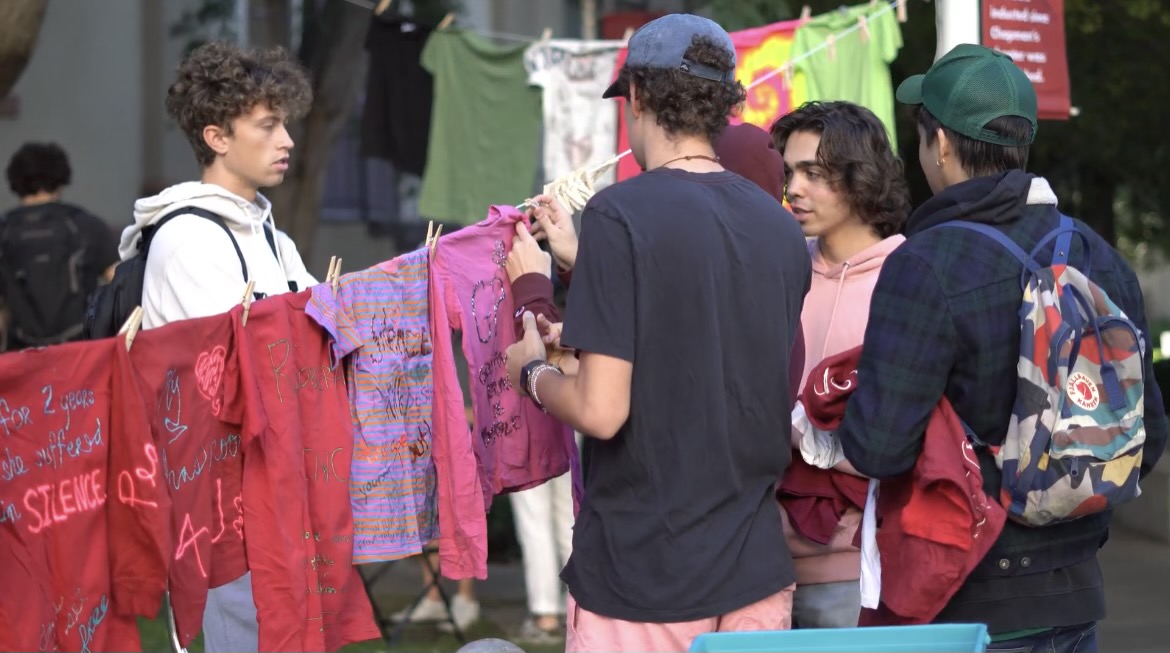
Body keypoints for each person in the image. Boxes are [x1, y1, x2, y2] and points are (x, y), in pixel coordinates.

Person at [834, 44, 1168, 650]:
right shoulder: (1099, 258)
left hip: (968, 600)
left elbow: (878, 446)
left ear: (939, 144)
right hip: (1075, 596)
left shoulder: (925, 264)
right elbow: (1147, 436)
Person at [504, 14, 810, 653]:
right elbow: (702, 336)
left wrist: (532, 372)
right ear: (724, 102)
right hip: (754, 566)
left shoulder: (622, 211)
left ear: (637, 97)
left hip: (645, 571)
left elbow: (601, 410)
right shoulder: (781, 227)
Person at [116, 41, 317, 653]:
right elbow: (233, 373)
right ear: (218, 136)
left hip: (281, 488)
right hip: (225, 504)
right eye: (267, 125)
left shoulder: (269, 233)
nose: (286, 140)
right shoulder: (187, 238)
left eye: (285, 123)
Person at [768, 101, 911, 629]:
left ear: (860, 178)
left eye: (815, 173)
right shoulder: (779, 270)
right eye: (789, 172)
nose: (795, 189)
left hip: (860, 572)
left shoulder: (907, 278)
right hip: (759, 571)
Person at [0, 142, 119, 350]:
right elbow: (119, 282)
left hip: (21, 357)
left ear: (15, 180)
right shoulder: (84, 224)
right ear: (60, 179)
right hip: (77, 355)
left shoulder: (5, 229)